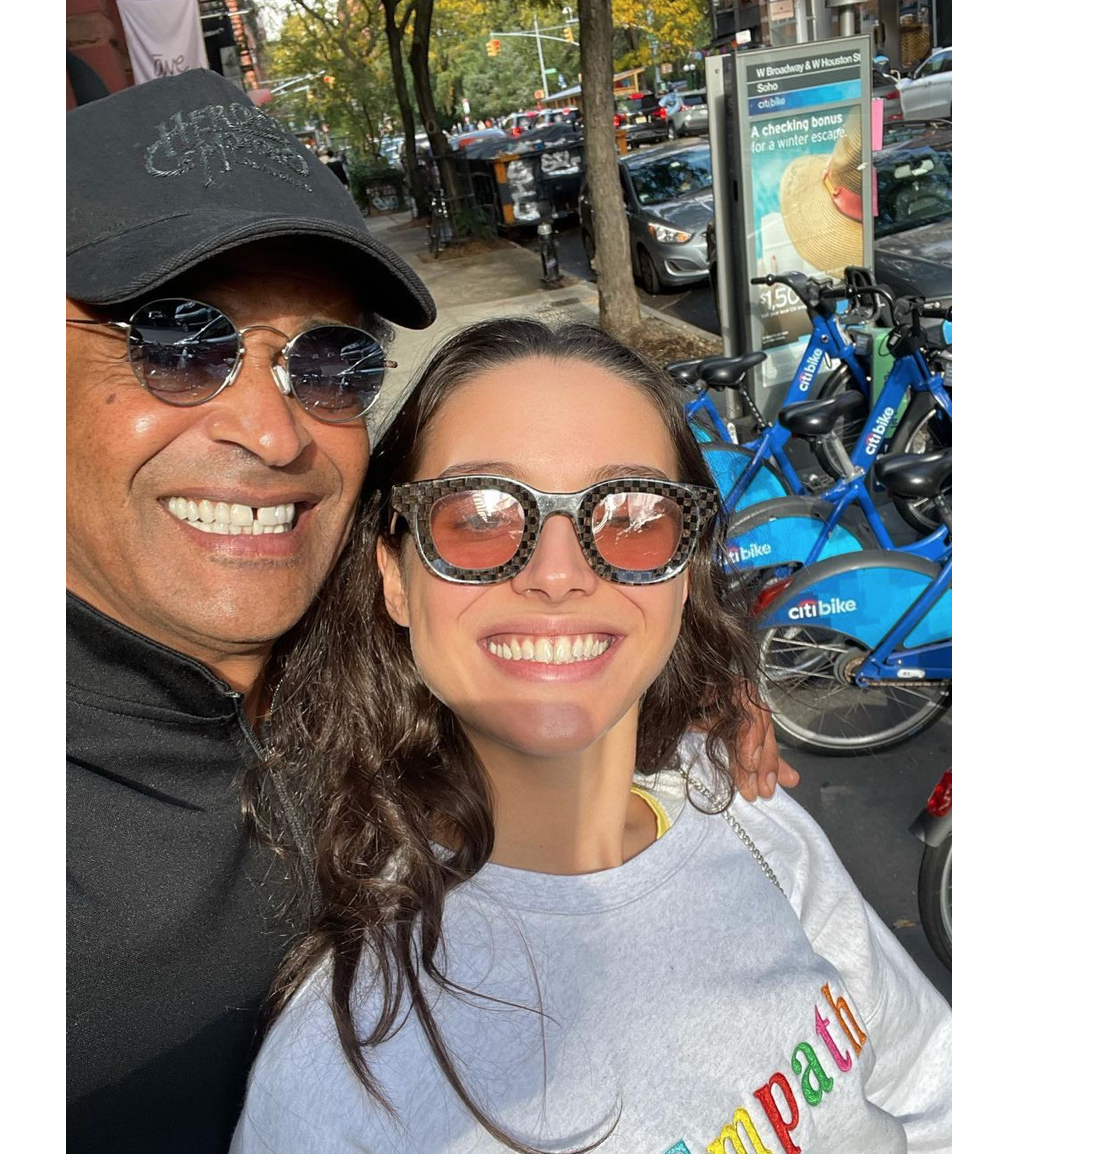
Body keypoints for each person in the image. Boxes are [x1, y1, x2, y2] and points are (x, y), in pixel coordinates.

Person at [66, 71, 793, 1154]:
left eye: (330, 362)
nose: (274, 434)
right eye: (179, 341)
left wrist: (686, 683)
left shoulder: (403, 635)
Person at [232, 320, 951, 1153]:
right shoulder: (346, 1075)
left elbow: (926, 1086)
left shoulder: (750, 817)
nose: (559, 574)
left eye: (634, 516)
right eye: (479, 516)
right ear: (395, 578)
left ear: (684, 574)